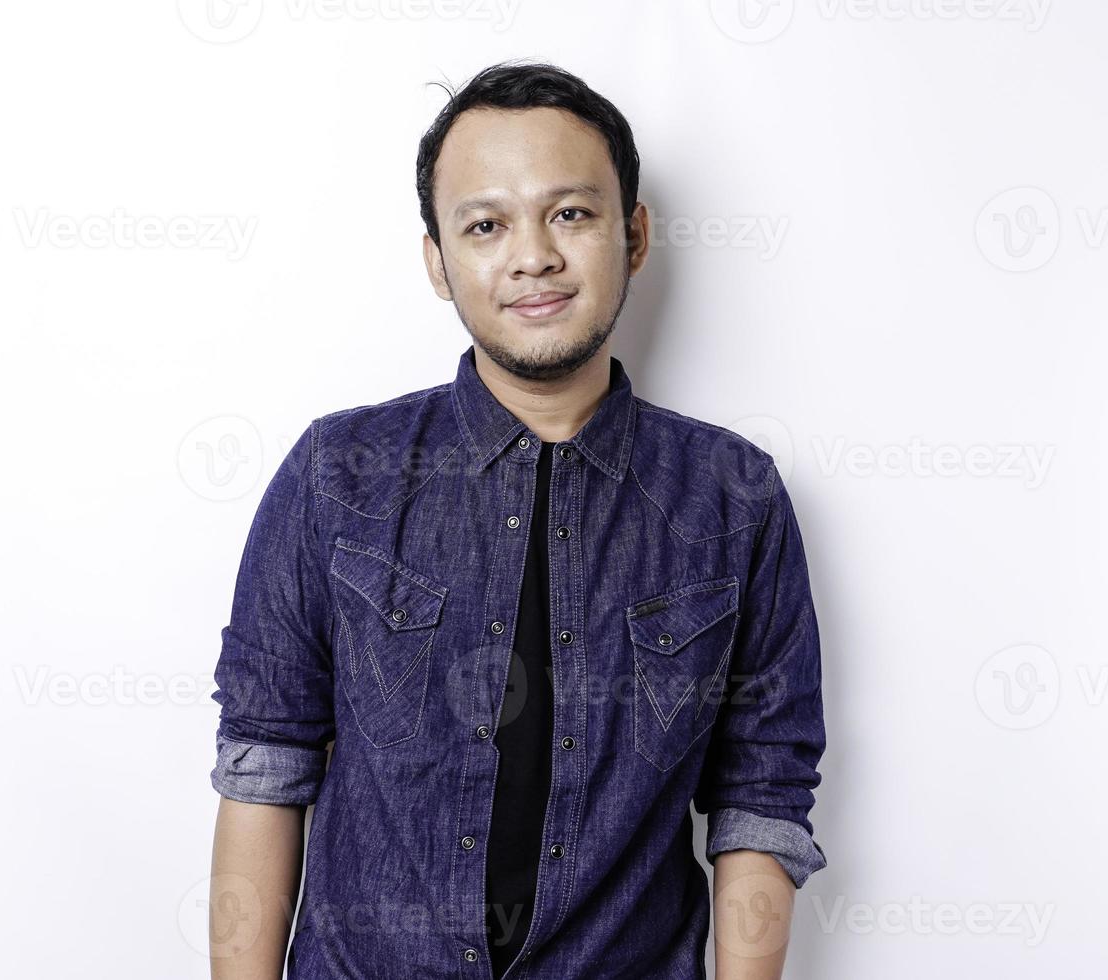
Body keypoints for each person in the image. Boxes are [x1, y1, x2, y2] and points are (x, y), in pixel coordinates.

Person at [207, 60, 827, 980]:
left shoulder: (735, 497)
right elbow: (265, 769)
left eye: (570, 213)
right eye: (487, 224)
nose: (532, 255)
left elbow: (759, 801)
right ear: (437, 259)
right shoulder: (337, 477)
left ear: (635, 233)